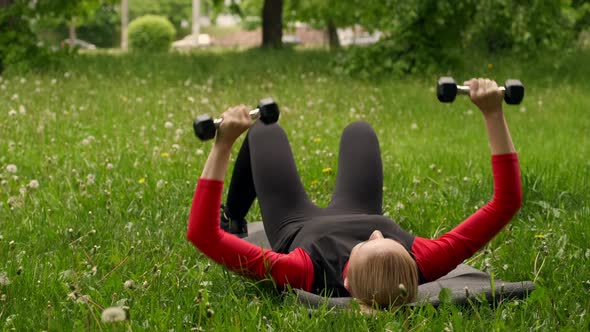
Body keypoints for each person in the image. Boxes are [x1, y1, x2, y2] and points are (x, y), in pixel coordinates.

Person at [186, 78, 522, 308]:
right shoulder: (425, 260)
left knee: (264, 130)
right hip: (360, 206)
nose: (377, 233)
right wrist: (493, 113)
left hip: (296, 222)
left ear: (345, 278)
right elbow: (506, 202)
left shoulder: (303, 271)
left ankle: (233, 214)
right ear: (414, 269)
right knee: (359, 132)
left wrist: (223, 144)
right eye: (387, 240)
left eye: (367, 244)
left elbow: (202, 234)